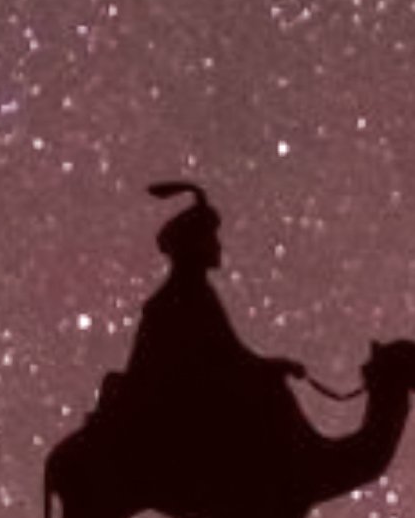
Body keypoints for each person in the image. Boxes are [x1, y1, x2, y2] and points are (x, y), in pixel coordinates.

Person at [106, 179, 305, 478]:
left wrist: (269, 367)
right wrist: (271, 368)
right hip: (176, 403)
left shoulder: (192, 292)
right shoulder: (185, 296)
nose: (218, 246)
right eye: (211, 239)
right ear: (194, 245)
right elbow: (225, 355)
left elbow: (227, 353)